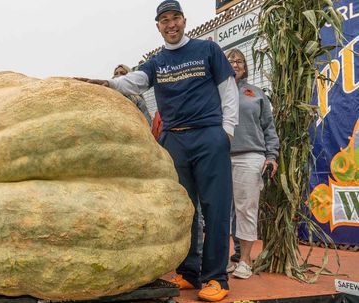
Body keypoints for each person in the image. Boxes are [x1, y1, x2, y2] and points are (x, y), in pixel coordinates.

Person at [75, 1, 239, 301]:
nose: (171, 24)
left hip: (208, 135)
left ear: (184, 20)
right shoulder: (157, 61)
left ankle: (216, 278)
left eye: (175, 18)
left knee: (215, 208)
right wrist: (109, 83)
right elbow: (135, 81)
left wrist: (226, 131)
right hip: (174, 140)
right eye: (164, 20)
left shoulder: (208, 50)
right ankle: (189, 272)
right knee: (182, 209)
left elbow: (228, 88)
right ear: (158, 26)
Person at [225, 48, 279, 279]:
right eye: (230, 61)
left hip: (250, 156)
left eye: (239, 61)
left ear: (245, 67)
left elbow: (269, 127)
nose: (235, 64)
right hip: (219, 157)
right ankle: (225, 259)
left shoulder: (255, 93)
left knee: (246, 209)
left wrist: (271, 156)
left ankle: (245, 260)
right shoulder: (215, 92)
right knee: (220, 212)